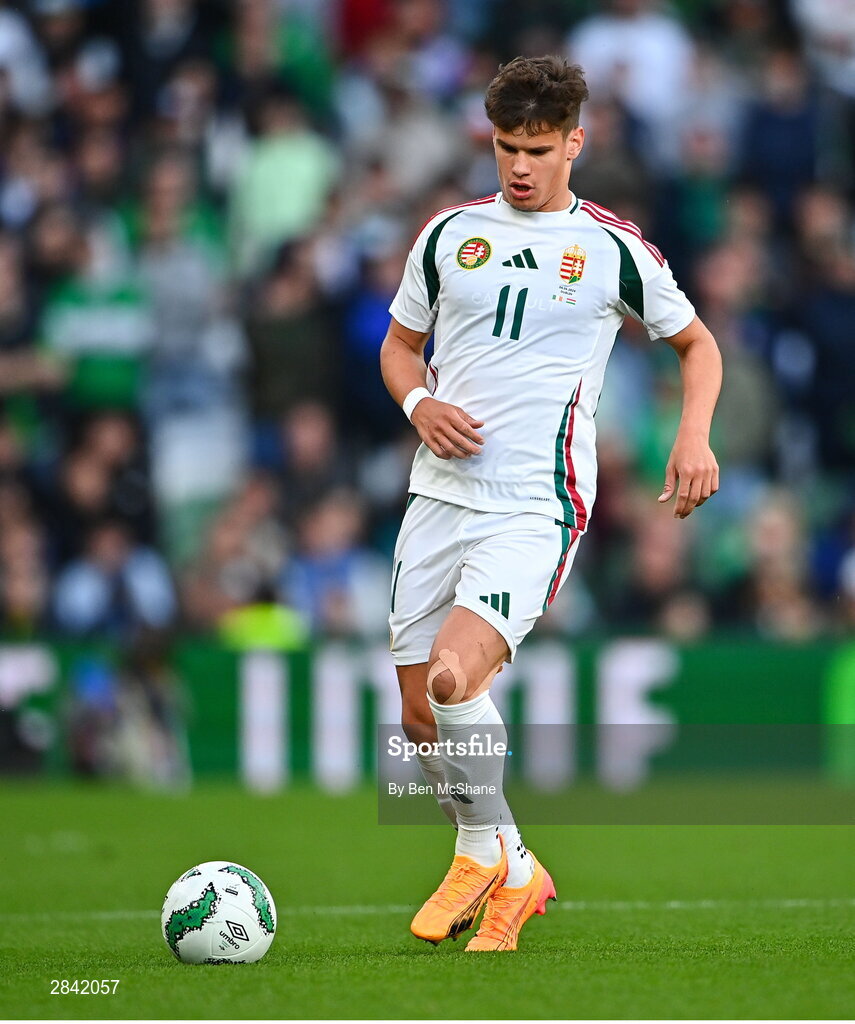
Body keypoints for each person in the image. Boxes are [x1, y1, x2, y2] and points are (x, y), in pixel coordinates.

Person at [379, 55, 722, 952]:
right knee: (420, 716)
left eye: (535, 148)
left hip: (537, 499)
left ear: (576, 141)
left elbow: (698, 346)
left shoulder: (612, 246)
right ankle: (518, 868)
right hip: (437, 493)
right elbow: (397, 348)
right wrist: (420, 404)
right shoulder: (449, 233)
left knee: (456, 680)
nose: (517, 167)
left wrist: (693, 436)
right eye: (503, 147)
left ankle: (480, 850)